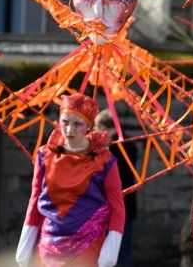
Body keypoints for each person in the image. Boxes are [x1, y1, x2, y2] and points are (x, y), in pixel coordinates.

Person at [15, 94, 125, 267]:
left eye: (77, 124)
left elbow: (118, 208)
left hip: (87, 245)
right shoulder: (45, 155)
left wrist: (111, 249)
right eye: (65, 122)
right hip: (49, 245)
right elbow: (35, 199)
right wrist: (25, 243)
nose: (69, 130)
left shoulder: (105, 161)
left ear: (89, 126)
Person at [95, 109, 138, 267]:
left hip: (114, 205)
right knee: (122, 250)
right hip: (126, 205)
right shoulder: (130, 144)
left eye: (99, 129)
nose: (97, 133)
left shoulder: (113, 149)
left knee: (111, 251)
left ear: (108, 129)